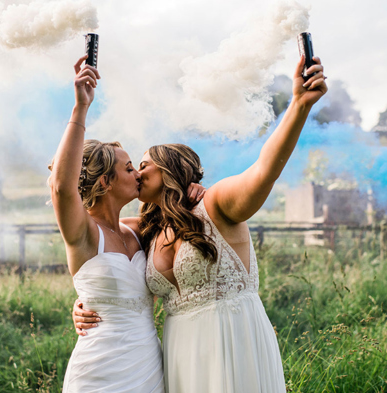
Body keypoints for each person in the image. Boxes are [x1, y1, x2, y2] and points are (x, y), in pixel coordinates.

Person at [73, 55, 327, 392]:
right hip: (181, 353)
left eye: (144, 164)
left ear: (169, 171)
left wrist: (298, 106)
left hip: (233, 340)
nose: (136, 173)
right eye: (133, 167)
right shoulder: (146, 231)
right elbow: (103, 258)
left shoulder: (216, 204)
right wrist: (86, 303)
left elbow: (264, 170)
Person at [49, 54, 165, 392]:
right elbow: (61, 187)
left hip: (147, 365)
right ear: (105, 183)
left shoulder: (140, 229)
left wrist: (192, 189)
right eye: (129, 168)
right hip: (100, 371)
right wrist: (80, 108)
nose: (138, 173)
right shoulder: (83, 234)